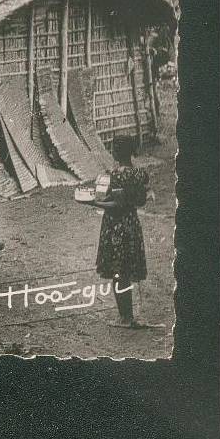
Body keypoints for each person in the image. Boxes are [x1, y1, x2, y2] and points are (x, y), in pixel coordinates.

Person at [95, 135, 149, 328]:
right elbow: (141, 201)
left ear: (116, 152)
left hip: (115, 226)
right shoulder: (140, 174)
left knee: (118, 271)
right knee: (127, 268)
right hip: (131, 223)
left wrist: (95, 202)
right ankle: (129, 316)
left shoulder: (114, 175)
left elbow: (114, 203)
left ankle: (125, 317)